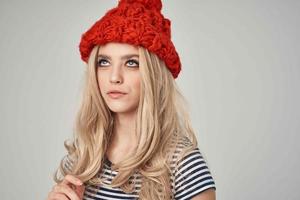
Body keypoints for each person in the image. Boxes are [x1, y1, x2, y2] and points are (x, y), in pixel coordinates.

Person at [47, 0, 216, 199]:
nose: (114, 77)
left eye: (131, 63)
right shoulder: (83, 156)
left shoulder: (184, 165)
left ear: (154, 75)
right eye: (104, 62)